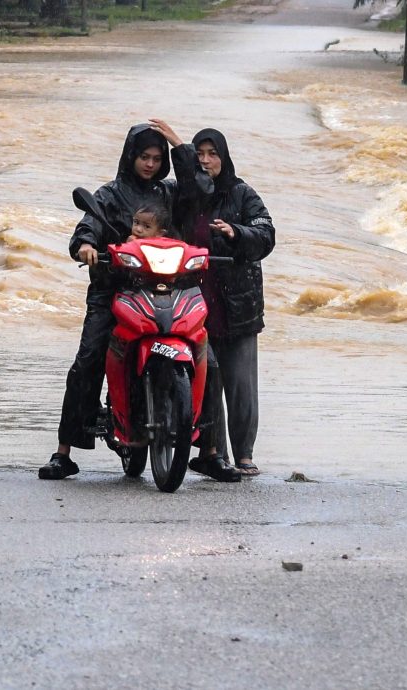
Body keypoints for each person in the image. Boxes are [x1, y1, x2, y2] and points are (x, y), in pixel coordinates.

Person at [39, 123, 241, 483]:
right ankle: (63, 452)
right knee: (88, 358)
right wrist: (86, 246)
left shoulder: (172, 192)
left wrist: (181, 146)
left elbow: (201, 189)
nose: (150, 164)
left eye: (156, 158)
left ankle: (209, 451)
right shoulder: (109, 194)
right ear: (130, 157)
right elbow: (88, 225)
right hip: (114, 289)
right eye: (144, 157)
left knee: (206, 359)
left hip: (170, 288)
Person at [154, 121, 275, 477]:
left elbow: (265, 234)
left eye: (212, 154)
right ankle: (214, 454)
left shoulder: (241, 193)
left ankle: (245, 455)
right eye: (200, 154)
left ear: (225, 157)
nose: (206, 161)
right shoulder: (181, 195)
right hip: (190, 303)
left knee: (240, 384)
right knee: (207, 379)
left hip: (236, 305)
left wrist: (236, 232)